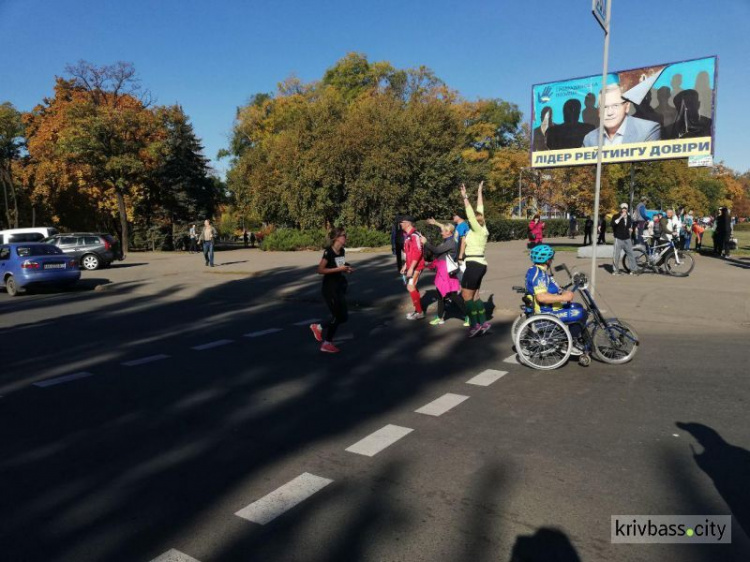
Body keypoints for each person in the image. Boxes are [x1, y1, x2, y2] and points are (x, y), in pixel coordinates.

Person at [524, 244, 587, 354]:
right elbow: (541, 297)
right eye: (551, 258)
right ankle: (569, 344)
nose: (552, 260)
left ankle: (573, 337)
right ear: (547, 260)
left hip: (549, 308)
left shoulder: (535, 270)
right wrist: (563, 297)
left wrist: (562, 291)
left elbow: (549, 288)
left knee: (577, 306)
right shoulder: (539, 275)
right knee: (580, 312)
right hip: (547, 313)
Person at [310, 227, 354, 353]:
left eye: (346, 235)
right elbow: (320, 270)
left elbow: (340, 265)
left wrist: (347, 268)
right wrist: (339, 270)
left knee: (343, 317)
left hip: (339, 287)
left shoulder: (342, 251)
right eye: (343, 235)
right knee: (337, 316)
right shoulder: (328, 252)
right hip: (329, 289)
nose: (346, 237)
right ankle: (325, 340)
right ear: (337, 238)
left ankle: (319, 329)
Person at [582, 84, 662, 147]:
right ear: (599, 112)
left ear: (627, 107)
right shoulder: (589, 139)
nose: (610, 112)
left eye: (615, 106)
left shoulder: (647, 130)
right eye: (604, 107)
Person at [459, 181, 491, 337]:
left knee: (466, 296)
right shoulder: (482, 228)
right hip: (480, 264)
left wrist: (465, 197)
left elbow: (471, 213)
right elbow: (479, 210)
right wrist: (479, 192)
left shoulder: (477, 229)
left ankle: (474, 325)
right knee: (476, 295)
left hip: (473, 264)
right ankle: (483, 322)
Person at [421, 221, 467, 326]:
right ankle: (440, 317)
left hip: (447, 272)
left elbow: (436, 250)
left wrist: (426, 242)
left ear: (448, 232)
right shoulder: (447, 240)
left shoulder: (450, 242)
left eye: (442, 231)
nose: (441, 233)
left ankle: (468, 315)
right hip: (443, 271)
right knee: (440, 295)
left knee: (453, 295)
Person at [400, 216, 425, 320]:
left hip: (417, 267)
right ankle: (417, 310)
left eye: (402, 222)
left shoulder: (414, 235)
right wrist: (405, 266)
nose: (400, 224)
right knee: (412, 287)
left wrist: (411, 268)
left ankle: (419, 312)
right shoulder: (407, 236)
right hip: (411, 266)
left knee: (410, 287)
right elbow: (408, 254)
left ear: (408, 223)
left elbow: (418, 252)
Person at [611, 203, 637, 275]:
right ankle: (615, 270)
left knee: (630, 254)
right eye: (623, 208)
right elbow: (613, 224)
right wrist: (620, 217)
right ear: (620, 209)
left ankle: (633, 269)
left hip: (627, 238)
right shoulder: (616, 216)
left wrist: (630, 229)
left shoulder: (629, 217)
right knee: (616, 255)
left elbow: (630, 225)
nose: (624, 210)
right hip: (618, 238)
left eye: (625, 208)